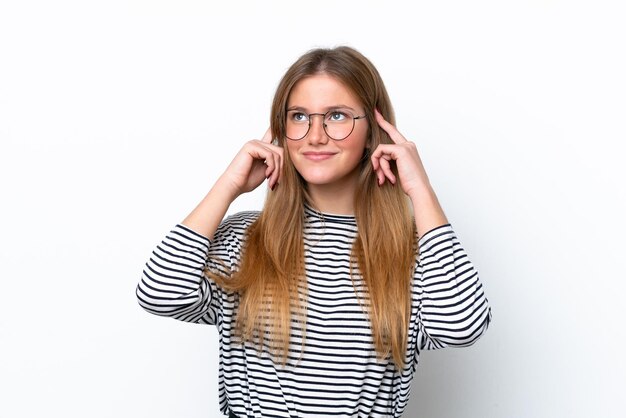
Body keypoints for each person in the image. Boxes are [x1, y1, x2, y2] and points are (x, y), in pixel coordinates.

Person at [136, 45, 491, 418]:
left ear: (373, 131)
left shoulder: (415, 250)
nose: (315, 135)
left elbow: (462, 327)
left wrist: (421, 190)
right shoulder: (246, 238)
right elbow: (159, 294)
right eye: (299, 116)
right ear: (281, 131)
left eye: (336, 116)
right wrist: (229, 184)